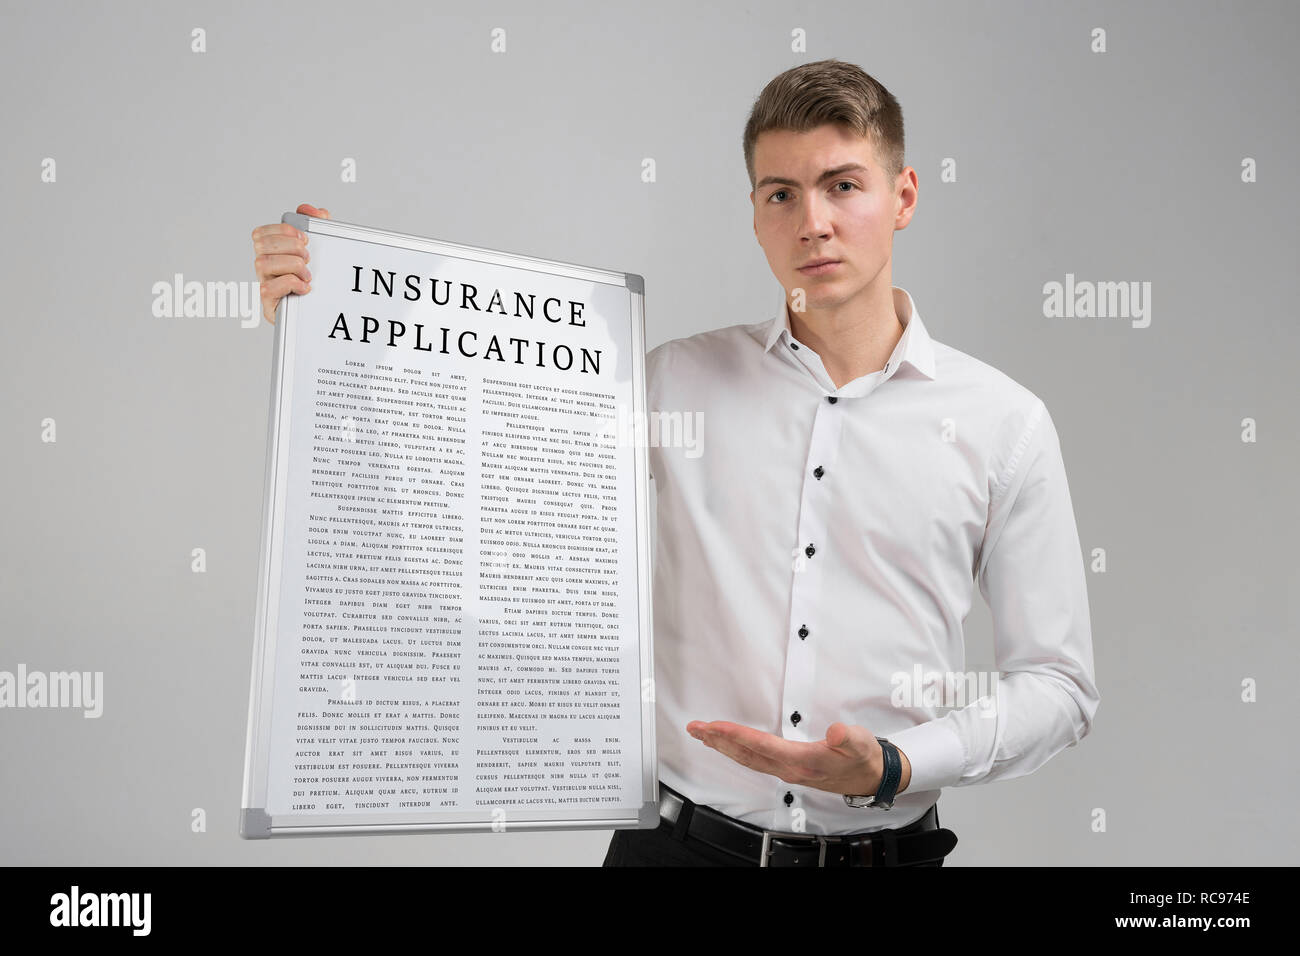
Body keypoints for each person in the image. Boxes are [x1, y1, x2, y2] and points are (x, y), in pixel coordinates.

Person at [250, 59, 1099, 868]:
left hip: (890, 853)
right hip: (677, 852)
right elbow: (475, 498)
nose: (814, 221)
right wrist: (333, 321)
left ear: (902, 194)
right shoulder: (667, 383)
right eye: (782, 193)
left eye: (844, 184)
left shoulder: (1004, 423)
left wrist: (895, 764)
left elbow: (1058, 688)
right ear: (756, 212)